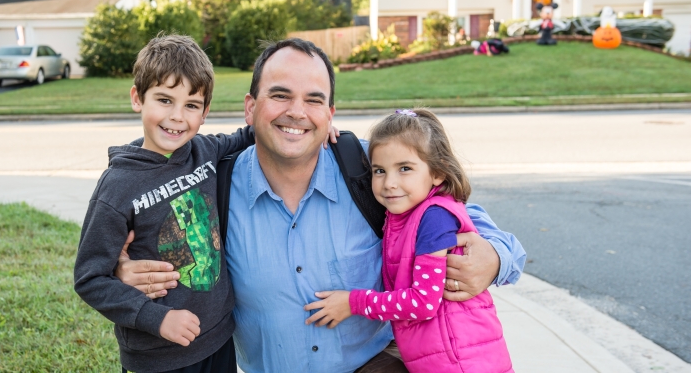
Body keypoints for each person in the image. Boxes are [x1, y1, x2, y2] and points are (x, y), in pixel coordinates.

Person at [115, 38, 526, 372]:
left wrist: (492, 258)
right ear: (250, 107)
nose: (297, 112)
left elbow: (475, 226)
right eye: (280, 95)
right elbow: (153, 225)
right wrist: (130, 271)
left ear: (330, 114)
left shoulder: (373, 172)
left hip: (377, 365)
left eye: (313, 100)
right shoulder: (210, 186)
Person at [74, 35, 256, 373]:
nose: (176, 117)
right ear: (136, 98)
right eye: (164, 99)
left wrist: (311, 127)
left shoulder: (204, 151)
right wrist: (157, 318)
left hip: (217, 339)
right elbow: (90, 278)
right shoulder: (117, 188)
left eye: (191, 105)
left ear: (204, 113)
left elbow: (248, 135)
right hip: (159, 355)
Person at [304, 108, 512, 372]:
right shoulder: (404, 213)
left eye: (405, 168)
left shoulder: (434, 218)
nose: (389, 183)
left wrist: (352, 302)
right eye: (379, 170)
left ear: (437, 173)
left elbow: (423, 302)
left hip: (459, 363)